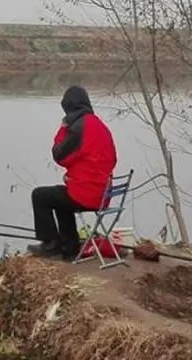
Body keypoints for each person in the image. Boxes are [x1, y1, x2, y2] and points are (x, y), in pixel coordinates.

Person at [27, 85, 117, 261]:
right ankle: (69, 248)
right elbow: (112, 159)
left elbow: (59, 154)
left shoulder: (78, 127)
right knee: (61, 198)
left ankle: (51, 244)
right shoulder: (100, 125)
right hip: (103, 194)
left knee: (39, 195)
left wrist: (63, 127)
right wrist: (78, 175)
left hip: (86, 194)